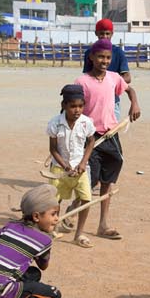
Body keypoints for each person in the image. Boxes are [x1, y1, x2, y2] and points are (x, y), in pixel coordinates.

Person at [75, 38, 142, 240]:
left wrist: (135, 104)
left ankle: (103, 225)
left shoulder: (114, 78)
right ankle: (78, 228)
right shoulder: (81, 82)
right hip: (90, 139)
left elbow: (130, 90)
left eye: (108, 58)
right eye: (100, 57)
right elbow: (71, 108)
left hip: (110, 135)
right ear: (92, 58)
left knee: (107, 181)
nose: (104, 61)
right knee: (89, 182)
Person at [46, 83, 101, 249]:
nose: (77, 110)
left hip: (81, 169)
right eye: (73, 106)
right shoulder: (55, 123)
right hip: (59, 170)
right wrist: (65, 166)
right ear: (64, 105)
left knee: (86, 199)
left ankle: (79, 234)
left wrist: (83, 162)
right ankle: (51, 230)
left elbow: (91, 141)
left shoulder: (86, 122)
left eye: (80, 106)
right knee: (55, 200)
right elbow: (53, 149)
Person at [81, 18, 132, 118]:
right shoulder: (90, 53)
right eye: (102, 33)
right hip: (93, 97)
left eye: (107, 34)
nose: (104, 36)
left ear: (112, 34)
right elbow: (87, 76)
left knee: (111, 129)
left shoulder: (118, 53)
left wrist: (109, 82)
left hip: (112, 98)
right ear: (96, 33)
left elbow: (127, 77)